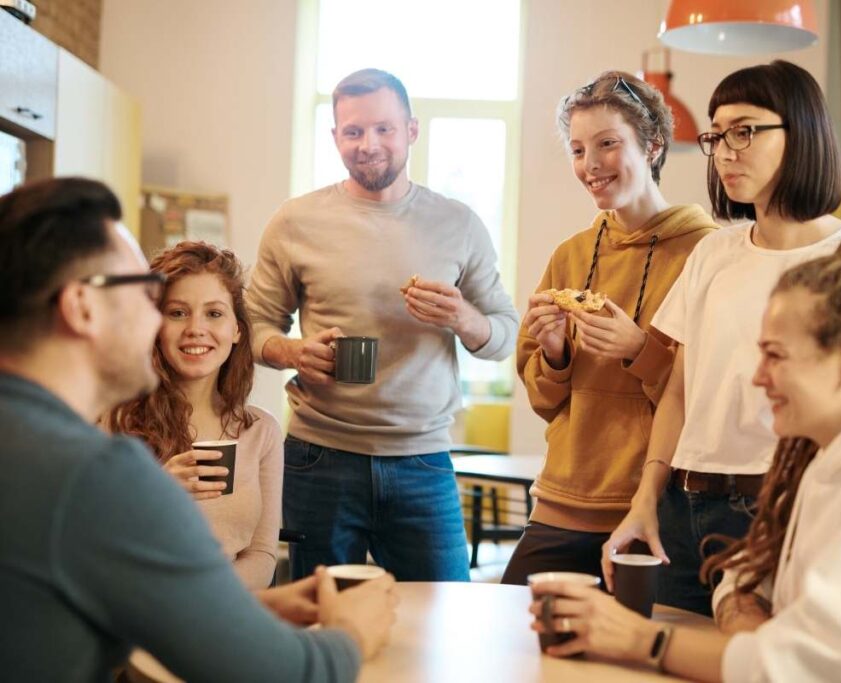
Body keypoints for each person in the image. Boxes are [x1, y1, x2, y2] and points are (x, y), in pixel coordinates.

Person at [529, 233, 841, 681]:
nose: (759, 378)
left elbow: (811, 670)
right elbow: (751, 577)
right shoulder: (834, 464)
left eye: (776, 356)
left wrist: (642, 639)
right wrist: (741, 602)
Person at [602, 60, 841, 615]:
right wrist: (645, 498)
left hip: (798, 508)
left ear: (802, 134)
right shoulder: (713, 252)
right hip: (685, 509)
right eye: (715, 135)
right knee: (674, 660)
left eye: (744, 130)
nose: (725, 151)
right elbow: (680, 391)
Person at [0, 178, 397, 682]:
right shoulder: (93, 473)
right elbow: (284, 675)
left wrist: (256, 609)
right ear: (82, 308)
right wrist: (354, 631)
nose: (172, 325)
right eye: (146, 296)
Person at [245, 68, 518, 582]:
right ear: (335, 137)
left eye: (384, 129)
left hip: (424, 460)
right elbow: (255, 323)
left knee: (445, 619)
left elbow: (505, 333)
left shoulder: (458, 223)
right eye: (353, 132)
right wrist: (291, 352)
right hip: (317, 456)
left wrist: (463, 318)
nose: (368, 145)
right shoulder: (295, 221)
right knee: (323, 618)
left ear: (411, 130)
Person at [501, 71, 717, 584]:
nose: (590, 165)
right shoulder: (570, 255)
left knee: (631, 655)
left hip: (655, 505)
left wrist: (640, 349)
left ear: (654, 146)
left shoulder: (705, 253)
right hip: (562, 498)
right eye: (578, 150)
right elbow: (543, 398)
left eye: (607, 144)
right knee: (517, 645)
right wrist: (555, 356)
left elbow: (711, 393)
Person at [109, 241, 282, 591]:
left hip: (228, 615)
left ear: (236, 330)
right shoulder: (115, 421)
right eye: (177, 313)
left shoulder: (261, 432)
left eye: (214, 313)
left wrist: (210, 605)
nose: (195, 329)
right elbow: (91, 545)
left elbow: (263, 553)